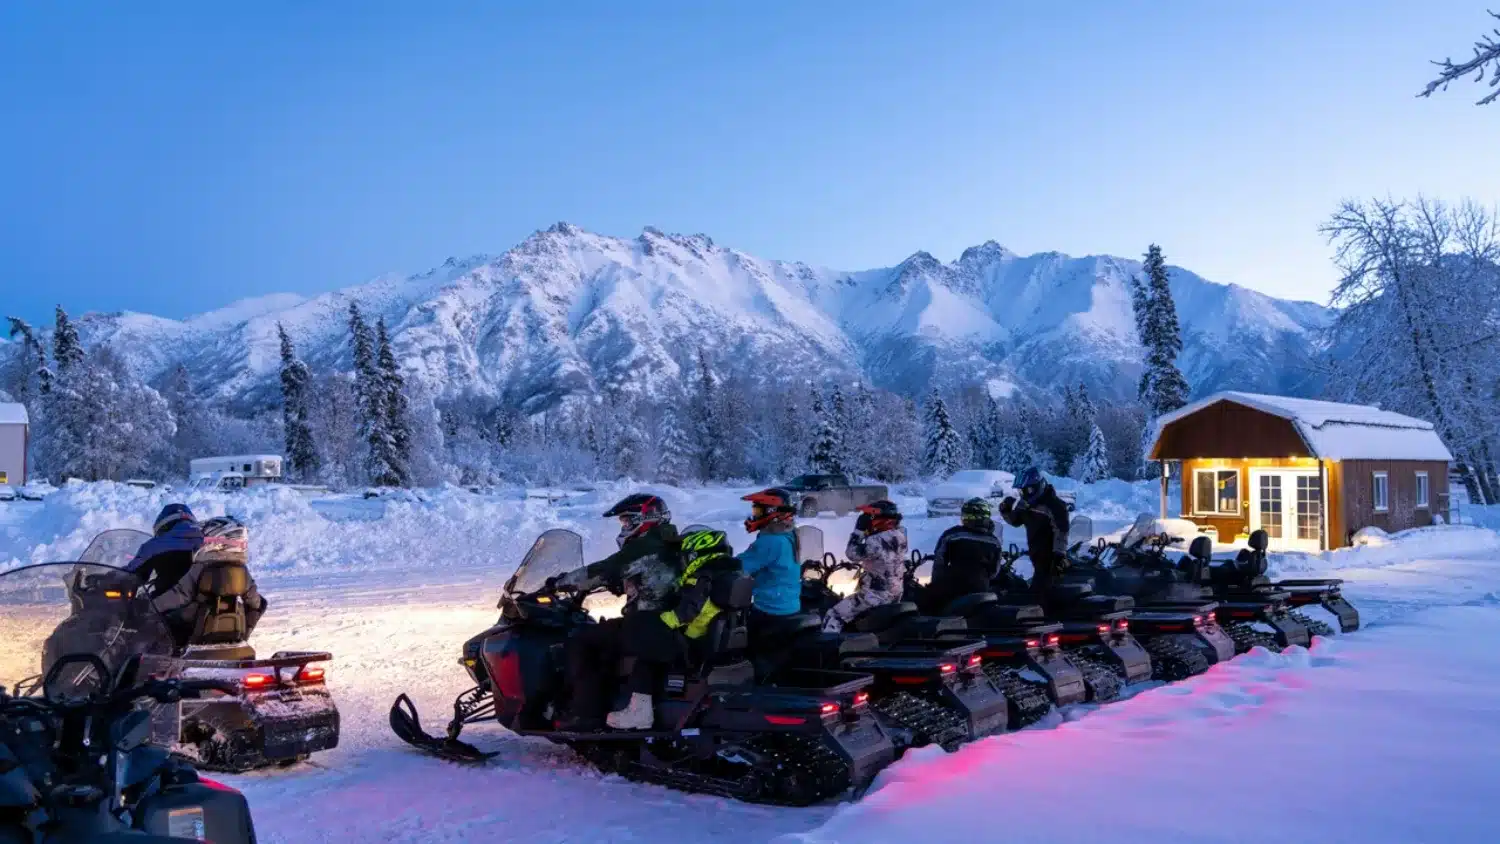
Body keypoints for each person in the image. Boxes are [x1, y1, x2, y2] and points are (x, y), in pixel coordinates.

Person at [557, 493, 730, 731]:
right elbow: (657, 576)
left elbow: (604, 569)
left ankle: (584, 713)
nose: (625, 527)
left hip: (649, 621)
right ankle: (613, 699)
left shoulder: (646, 546)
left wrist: (561, 582)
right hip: (668, 620)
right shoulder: (672, 541)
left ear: (645, 519)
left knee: (582, 639)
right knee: (608, 638)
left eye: (628, 521)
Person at [152, 516, 268, 649]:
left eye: (205, 539)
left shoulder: (200, 568)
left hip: (192, 630)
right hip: (232, 629)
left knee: (160, 619)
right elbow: (256, 603)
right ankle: (240, 641)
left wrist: (150, 606)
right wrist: (246, 628)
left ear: (217, 542)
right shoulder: (242, 570)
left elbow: (178, 595)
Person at [823, 500, 907, 632]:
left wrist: (858, 531)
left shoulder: (875, 540)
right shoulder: (900, 536)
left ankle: (829, 648)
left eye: (868, 518)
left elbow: (852, 554)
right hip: (895, 593)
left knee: (834, 615)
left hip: (875, 596)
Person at [998, 467, 1070, 613]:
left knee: (1042, 591)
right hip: (1036, 553)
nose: (1024, 494)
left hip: (1050, 556)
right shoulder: (1026, 504)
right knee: (1033, 588)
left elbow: (1061, 530)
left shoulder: (1054, 505)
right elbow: (1016, 521)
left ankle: (1044, 620)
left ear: (1038, 486)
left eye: (1027, 490)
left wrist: (1059, 553)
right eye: (1022, 491)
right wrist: (1006, 510)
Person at [735, 488, 802, 643]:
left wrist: (721, 563)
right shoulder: (789, 533)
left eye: (758, 511)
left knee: (742, 641)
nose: (754, 515)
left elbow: (741, 566)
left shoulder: (771, 541)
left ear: (772, 512)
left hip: (771, 610)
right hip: (789, 604)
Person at [919, 497, 1005, 615]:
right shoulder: (994, 542)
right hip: (980, 589)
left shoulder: (952, 535)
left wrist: (936, 584)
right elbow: (994, 571)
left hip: (952, 589)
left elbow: (939, 563)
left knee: (923, 605)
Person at [125, 504, 205, 599]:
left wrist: (109, 576)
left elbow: (131, 574)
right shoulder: (207, 538)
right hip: (212, 604)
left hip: (172, 606)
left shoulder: (156, 544)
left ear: (163, 526)